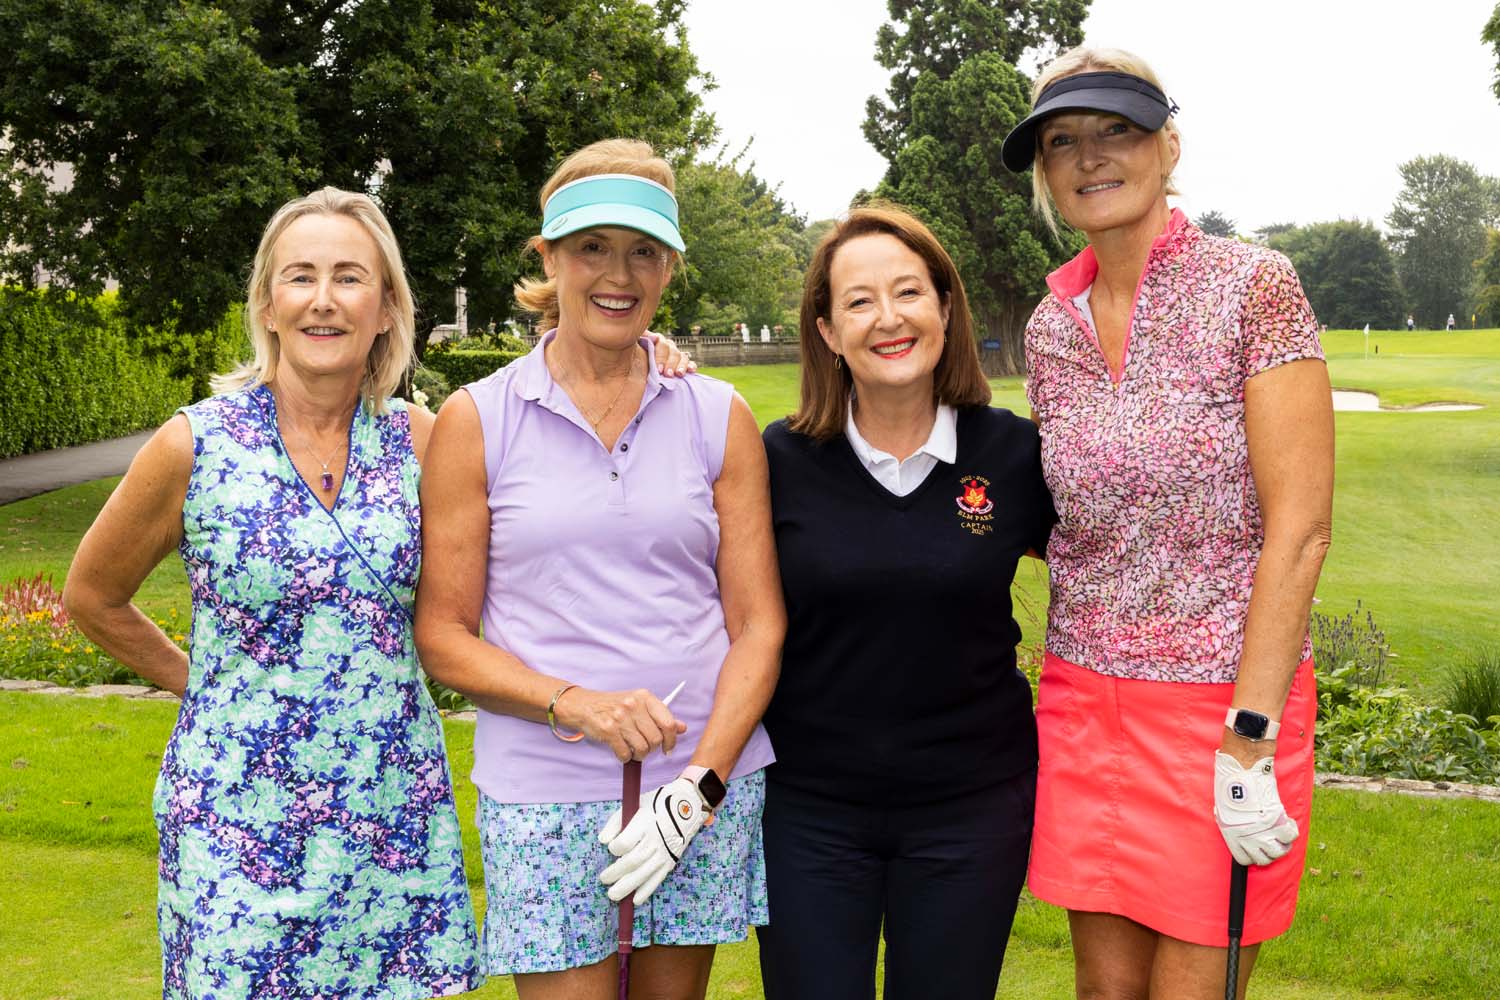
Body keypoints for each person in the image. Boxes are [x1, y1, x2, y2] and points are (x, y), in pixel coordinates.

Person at [63, 188, 486, 999]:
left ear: (387, 308)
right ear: (267, 302)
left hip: (389, 814)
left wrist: (646, 357)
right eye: (300, 276)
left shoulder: (422, 441)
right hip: (235, 819)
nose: (323, 299)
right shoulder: (195, 443)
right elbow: (93, 595)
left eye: (349, 277)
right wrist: (203, 686)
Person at [413, 139, 784, 1000]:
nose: (619, 275)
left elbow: (759, 624)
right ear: (548, 258)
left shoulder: (717, 413)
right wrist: (578, 704)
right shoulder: (479, 418)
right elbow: (443, 634)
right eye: (592, 248)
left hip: (696, 787)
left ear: (669, 267)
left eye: (644, 251)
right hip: (542, 789)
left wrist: (699, 787)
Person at [1000, 47, 1333, 999]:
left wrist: (1251, 734)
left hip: (1221, 707)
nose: (1090, 157)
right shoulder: (1050, 328)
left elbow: (1301, 529)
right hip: (1084, 699)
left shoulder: (1252, 285)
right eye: (1062, 142)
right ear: (1046, 173)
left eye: (1118, 130)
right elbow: (1073, 513)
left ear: (1168, 146)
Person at [755, 204, 1056, 1000]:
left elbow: (1112, 561)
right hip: (808, 811)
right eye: (859, 301)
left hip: (972, 809)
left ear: (945, 308)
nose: (888, 318)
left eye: (909, 292)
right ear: (827, 331)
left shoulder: (1013, 453)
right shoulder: (776, 459)